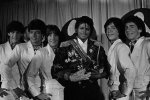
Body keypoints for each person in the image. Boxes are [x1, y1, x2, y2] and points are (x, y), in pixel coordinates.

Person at [52, 16, 110, 100]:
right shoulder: (66, 46)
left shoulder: (97, 47)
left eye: (87, 29)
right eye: (81, 28)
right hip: (72, 91)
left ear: (90, 31)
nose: (84, 31)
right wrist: (70, 77)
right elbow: (55, 70)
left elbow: (107, 68)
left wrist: (100, 74)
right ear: (76, 30)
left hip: (92, 92)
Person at [0, 19, 46, 100]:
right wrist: (14, 87)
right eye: (31, 32)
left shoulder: (47, 49)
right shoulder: (20, 47)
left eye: (37, 33)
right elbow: (5, 65)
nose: (34, 36)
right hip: (21, 89)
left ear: (42, 35)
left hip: (45, 90)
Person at [26, 25, 64, 100]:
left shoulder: (64, 51)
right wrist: (37, 94)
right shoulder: (41, 52)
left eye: (55, 35)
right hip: (51, 92)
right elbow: (29, 75)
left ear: (59, 37)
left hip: (67, 91)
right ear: (46, 37)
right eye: (50, 35)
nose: (53, 38)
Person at [104, 17, 136, 100]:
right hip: (113, 90)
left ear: (119, 30)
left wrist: (124, 92)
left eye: (113, 28)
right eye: (107, 28)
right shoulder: (114, 47)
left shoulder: (121, 47)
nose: (109, 31)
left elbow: (130, 71)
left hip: (120, 90)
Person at [122, 15, 150, 100]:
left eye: (131, 27)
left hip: (145, 91)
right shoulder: (128, 47)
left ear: (140, 29)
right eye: (126, 27)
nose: (128, 30)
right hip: (133, 92)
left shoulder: (147, 43)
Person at [0, 21, 25, 100]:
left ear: (21, 34)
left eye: (18, 32)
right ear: (8, 33)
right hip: (6, 88)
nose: (15, 35)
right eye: (12, 32)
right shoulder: (1, 48)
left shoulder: (25, 48)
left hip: (22, 88)